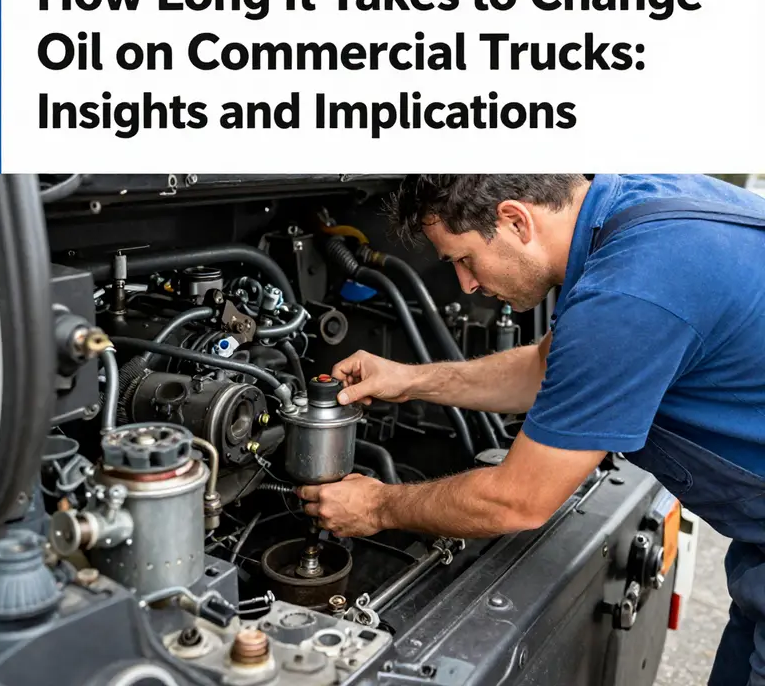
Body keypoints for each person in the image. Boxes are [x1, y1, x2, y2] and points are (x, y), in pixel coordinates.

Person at [297, 174, 765, 686]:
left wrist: (376, 507)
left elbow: (517, 500)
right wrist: (410, 380)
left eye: (464, 259)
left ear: (516, 220)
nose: (466, 285)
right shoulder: (629, 208)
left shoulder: (630, 291)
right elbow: (545, 369)